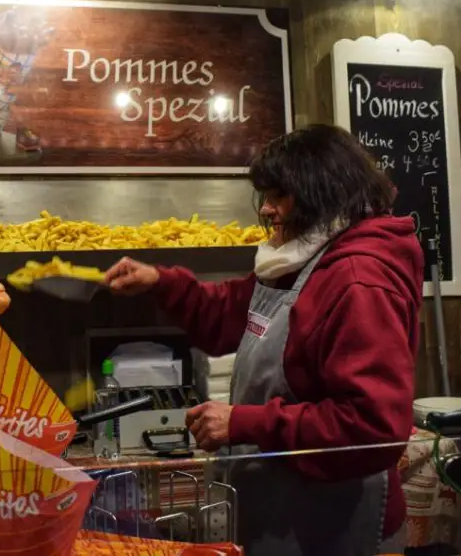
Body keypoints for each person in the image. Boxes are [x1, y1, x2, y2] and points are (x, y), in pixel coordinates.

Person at [104, 124, 423, 556]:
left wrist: (243, 422)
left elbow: (372, 429)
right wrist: (160, 283)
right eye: (266, 197)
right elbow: (228, 313)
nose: (268, 210)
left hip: (340, 525)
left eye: (279, 196)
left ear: (320, 192)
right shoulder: (300, 261)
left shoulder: (357, 282)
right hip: (286, 511)